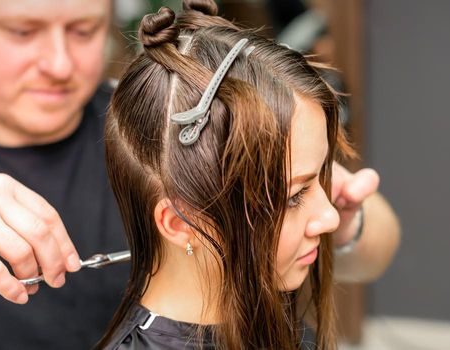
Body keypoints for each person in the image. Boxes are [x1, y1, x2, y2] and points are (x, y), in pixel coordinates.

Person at [0, 0, 399, 348]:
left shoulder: (173, 130)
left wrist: (330, 217)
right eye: (23, 31)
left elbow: (374, 249)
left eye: (82, 30)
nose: (58, 63)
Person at [98, 3, 353, 348]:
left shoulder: (270, 320)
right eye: (293, 196)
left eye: (319, 177)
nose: (330, 218)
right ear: (181, 221)